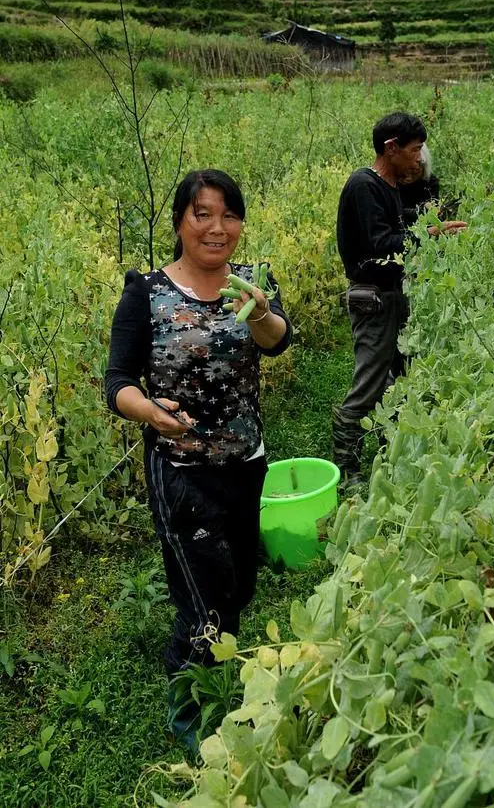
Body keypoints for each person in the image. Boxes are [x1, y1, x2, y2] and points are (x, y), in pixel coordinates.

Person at [104, 169, 292, 748]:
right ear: (181, 221)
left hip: (245, 459)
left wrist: (259, 310)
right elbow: (117, 382)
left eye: (229, 215)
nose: (217, 228)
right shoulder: (147, 291)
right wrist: (149, 412)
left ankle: (216, 669)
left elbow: (278, 339)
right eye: (202, 214)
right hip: (180, 470)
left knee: (235, 586)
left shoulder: (253, 283)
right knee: (200, 598)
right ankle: (191, 718)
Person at [333, 113, 466, 492]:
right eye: (413, 151)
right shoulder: (363, 184)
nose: (419, 159)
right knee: (370, 383)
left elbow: (393, 229)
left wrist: (426, 223)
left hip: (391, 295)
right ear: (390, 149)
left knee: (398, 379)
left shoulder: (389, 187)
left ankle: (389, 451)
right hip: (372, 299)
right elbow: (380, 244)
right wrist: (429, 233)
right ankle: (348, 473)